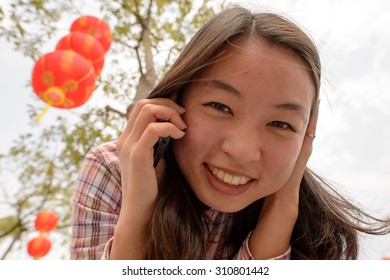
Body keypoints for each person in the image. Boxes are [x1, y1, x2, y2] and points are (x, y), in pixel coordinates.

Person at [70, 6, 390, 260]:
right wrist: (138, 213)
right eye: (220, 107)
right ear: (177, 100)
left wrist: (282, 207)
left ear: (307, 135)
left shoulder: (314, 227)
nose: (242, 150)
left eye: (281, 124)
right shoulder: (112, 170)